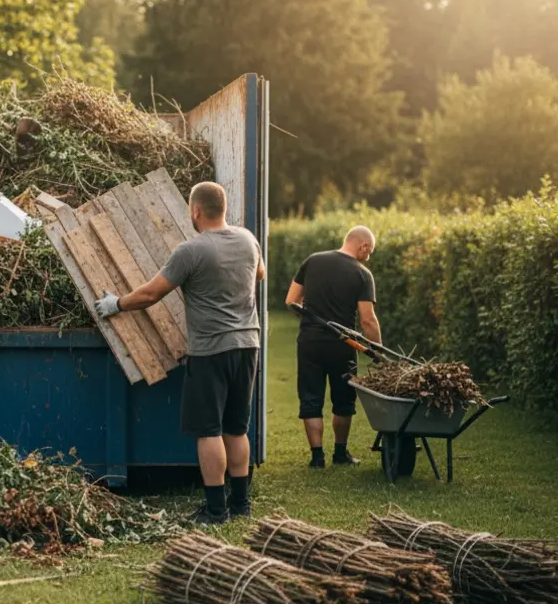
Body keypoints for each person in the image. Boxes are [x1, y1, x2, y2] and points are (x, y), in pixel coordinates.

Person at [94, 181, 264, 526]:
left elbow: (151, 294)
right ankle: (241, 504)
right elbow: (259, 273)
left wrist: (116, 303)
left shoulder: (192, 250)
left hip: (212, 349)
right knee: (236, 427)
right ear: (224, 208)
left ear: (196, 211)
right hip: (248, 345)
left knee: (209, 430)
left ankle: (216, 510)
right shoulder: (248, 240)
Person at [284, 226, 380, 468]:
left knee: (310, 398)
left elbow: (290, 301)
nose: (369, 257)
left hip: (309, 343)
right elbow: (367, 319)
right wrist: (377, 349)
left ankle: (317, 458)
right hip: (342, 345)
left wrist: (310, 318)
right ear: (363, 247)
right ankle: (340, 454)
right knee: (343, 400)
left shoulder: (313, 261)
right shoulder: (362, 273)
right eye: (371, 252)